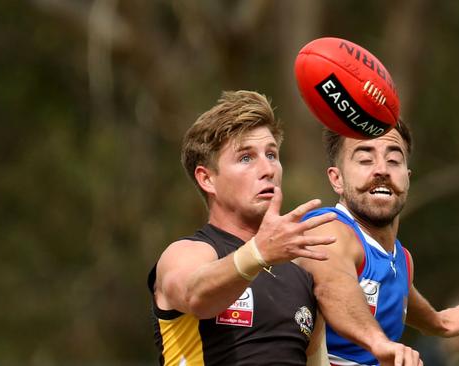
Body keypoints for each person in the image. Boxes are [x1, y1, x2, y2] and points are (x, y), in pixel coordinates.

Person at [147, 90, 422, 366]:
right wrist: (258, 253)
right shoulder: (187, 254)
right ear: (207, 179)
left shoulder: (299, 275)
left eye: (272, 154)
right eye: (246, 158)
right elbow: (195, 295)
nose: (268, 168)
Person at [297, 122, 459, 366]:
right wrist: (380, 343)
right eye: (365, 160)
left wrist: (435, 322)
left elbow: (398, 288)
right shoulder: (326, 228)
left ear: (407, 179)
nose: (382, 170)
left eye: (394, 161)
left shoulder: (401, 258)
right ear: (337, 179)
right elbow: (332, 286)